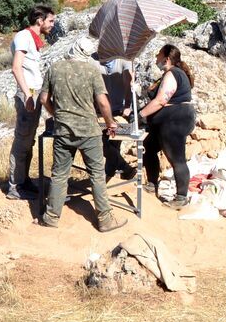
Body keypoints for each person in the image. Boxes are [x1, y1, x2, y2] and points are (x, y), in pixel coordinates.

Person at [39, 36, 127, 232]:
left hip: (63, 131)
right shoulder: (92, 71)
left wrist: (56, 114)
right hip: (89, 131)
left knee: (59, 174)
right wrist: (111, 122)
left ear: (73, 48)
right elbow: (103, 103)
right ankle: (104, 219)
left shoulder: (55, 68)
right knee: (96, 174)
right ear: (87, 54)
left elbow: (44, 98)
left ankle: (51, 217)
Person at [6, 5, 56, 201]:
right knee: (23, 139)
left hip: (33, 93)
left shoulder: (31, 39)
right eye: (50, 21)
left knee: (29, 139)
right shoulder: (24, 37)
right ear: (39, 20)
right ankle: (15, 187)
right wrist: (27, 94)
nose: (53, 25)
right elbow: (16, 67)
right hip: (29, 94)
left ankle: (23, 180)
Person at [139, 44, 195, 209]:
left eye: (158, 54)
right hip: (167, 122)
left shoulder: (173, 73)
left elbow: (161, 100)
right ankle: (151, 183)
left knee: (176, 158)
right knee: (149, 146)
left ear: (166, 58)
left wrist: (141, 115)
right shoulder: (169, 75)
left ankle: (180, 198)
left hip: (175, 122)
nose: (156, 57)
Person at [99, 57, 137, 181]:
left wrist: (127, 105)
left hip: (118, 110)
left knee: (113, 145)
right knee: (102, 144)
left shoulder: (123, 60)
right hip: (99, 112)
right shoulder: (93, 60)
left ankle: (108, 178)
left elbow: (129, 83)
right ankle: (125, 168)